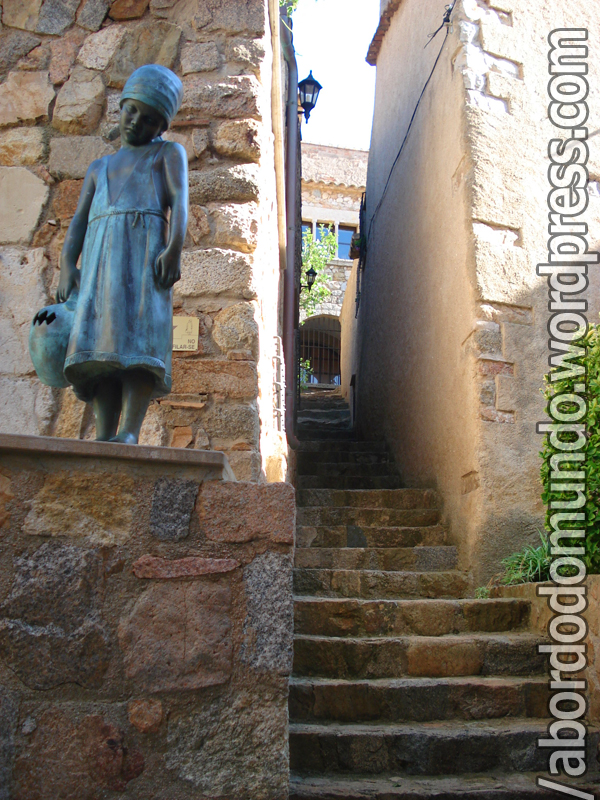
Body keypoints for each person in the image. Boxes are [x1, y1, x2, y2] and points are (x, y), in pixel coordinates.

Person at [56, 64, 188, 444]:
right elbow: (80, 220)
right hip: (100, 264)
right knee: (101, 349)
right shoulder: (99, 167)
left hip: (144, 258)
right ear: (121, 106)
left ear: (160, 127)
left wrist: (174, 248)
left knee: (139, 345)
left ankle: (129, 431)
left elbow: (180, 200)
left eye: (148, 119)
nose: (135, 122)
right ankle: (104, 433)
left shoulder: (167, 153)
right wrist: (67, 264)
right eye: (131, 111)